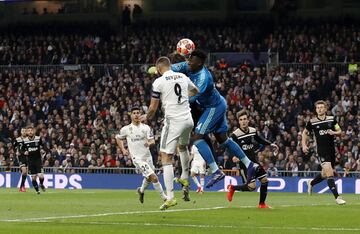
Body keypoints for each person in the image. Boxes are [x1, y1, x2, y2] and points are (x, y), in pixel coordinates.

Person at [171, 50, 258, 188]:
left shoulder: (204, 78)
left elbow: (191, 98)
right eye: (188, 60)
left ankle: (216, 171)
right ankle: (249, 164)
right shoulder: (188, 65)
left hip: (213, 107)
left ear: (199, 63)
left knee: (197, 138)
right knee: (223, 139)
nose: (188, 62)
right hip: (216, 103)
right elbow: (170, 68)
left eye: (191, 60)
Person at [141, 56, 199, 210]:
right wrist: (183, 99)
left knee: (165, 156)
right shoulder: (182, 76)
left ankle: (170, 197)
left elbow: (153, 108)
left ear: (159, 69)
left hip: (173, 121)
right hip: (188, 119)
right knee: (183, 147)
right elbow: (195, 91)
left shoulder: (159, 81)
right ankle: (185, 178)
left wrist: (146, 117)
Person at [227, 110, 279, 208]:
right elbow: (229, 147)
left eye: (245, 119)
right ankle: (233, 188)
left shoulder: (252, 130)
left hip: (254, 161)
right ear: (238, 121)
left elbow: (259, 140)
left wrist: (270, 144)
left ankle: (262, 204)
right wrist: (233, 156)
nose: (243, 121)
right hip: (244, 163)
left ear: (248, 120)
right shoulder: (235, 135)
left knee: (264, 180)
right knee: (251, 187)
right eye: (241, 120)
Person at [115, 107, 167, 204]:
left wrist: (149, 143)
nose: (136, 115)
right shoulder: (126, 129)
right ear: (131, 115)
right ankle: (165, 198)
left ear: (140, 114)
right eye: (134, 113)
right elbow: (118, 138)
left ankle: (141, 191)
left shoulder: (146, 128)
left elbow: (152, 140)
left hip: (147, 156)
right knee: (154, 177)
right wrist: (123, 149)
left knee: (148, 178)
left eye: (138, 113)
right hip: (137, 159)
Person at [302, 100, 346, 205]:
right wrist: (304, 145)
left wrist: (334, 132)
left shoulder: (332, 119)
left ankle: (311, 183)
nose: (320, 109)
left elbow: (340, 131)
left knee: (324, 174)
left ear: (325, 109)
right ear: (316, 109)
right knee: (330, 174)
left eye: (322, 107)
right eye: (318, 108)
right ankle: (337, 197)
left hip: (331, 151)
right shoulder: (312, 122)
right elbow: (305, 133)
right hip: (321, 151)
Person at [23, 126, 47, 194]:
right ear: (27, 132)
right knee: (33, 178)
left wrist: (43, 149)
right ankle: (37, 191)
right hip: (30, 161)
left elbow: (43, 145)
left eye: (31, 130)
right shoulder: (25, 141)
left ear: (34, 131)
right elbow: (21, 149)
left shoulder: (38, 138)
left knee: (41, 176)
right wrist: (24, 152)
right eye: (29, 130)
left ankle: (41, 184)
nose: (30, 131)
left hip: (38, 159)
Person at [13, 128, 28, 192]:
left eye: (25, 131)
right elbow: (13, 147)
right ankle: (22, 187)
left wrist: (28, 151)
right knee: (24, 171)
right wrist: (16, 152)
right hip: (21, 157)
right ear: (21, 132)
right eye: (22, 131)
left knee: (25, 173)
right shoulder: (17, 139)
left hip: (27, 157)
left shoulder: (29, 139)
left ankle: (21, 186)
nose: (24, 132)